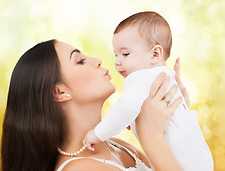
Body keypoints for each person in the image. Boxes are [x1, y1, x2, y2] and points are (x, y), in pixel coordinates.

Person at [0, 39, 186, 171]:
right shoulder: (80, 168)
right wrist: (151, 137)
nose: (97, 61)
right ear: (59, 92)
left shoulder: (119, 146)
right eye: (80, 61)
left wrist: (176, 116)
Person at [83, 12, 214, 171]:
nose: (117, 62)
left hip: (179, 160)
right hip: (199, 158)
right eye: (116, 55)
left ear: (155, 54)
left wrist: (98, 134)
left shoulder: (139, 76)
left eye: (125, 54)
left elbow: (126, 107)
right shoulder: (165, 75)